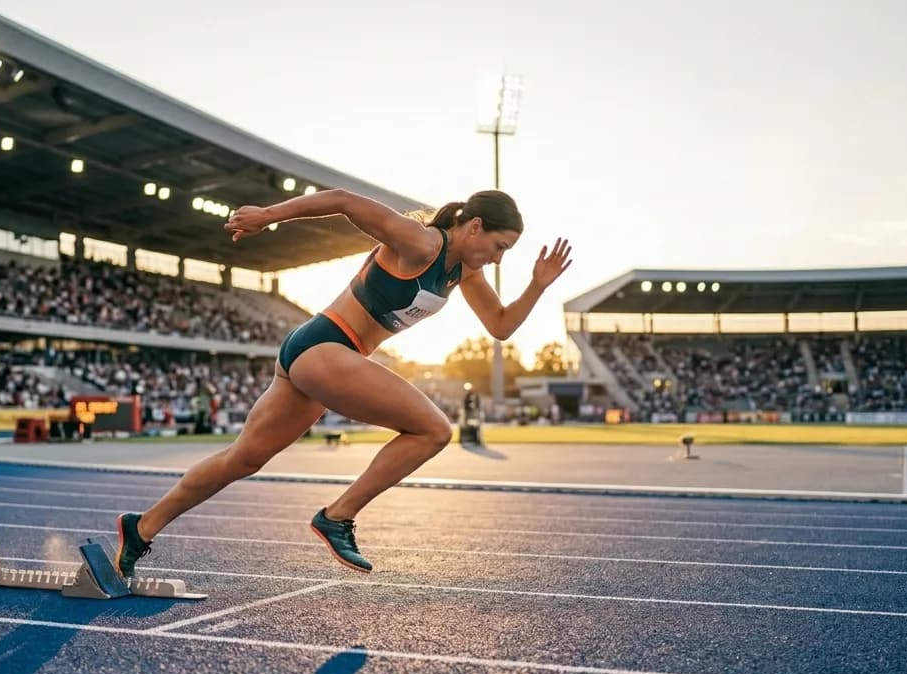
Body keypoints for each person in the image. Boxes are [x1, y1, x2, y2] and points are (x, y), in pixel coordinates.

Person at [113, 188, 573, 576]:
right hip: (326, 346)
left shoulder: (462, 271)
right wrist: (268, 217)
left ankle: (142, 527)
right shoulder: (421, 243)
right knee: (433, 431)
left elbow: (500, 325)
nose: (497, 260)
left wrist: (537, 286)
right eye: (499, 247)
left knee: (243, 459)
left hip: (320, 357)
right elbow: (344, 201)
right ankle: (338, 517)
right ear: (474, 227)